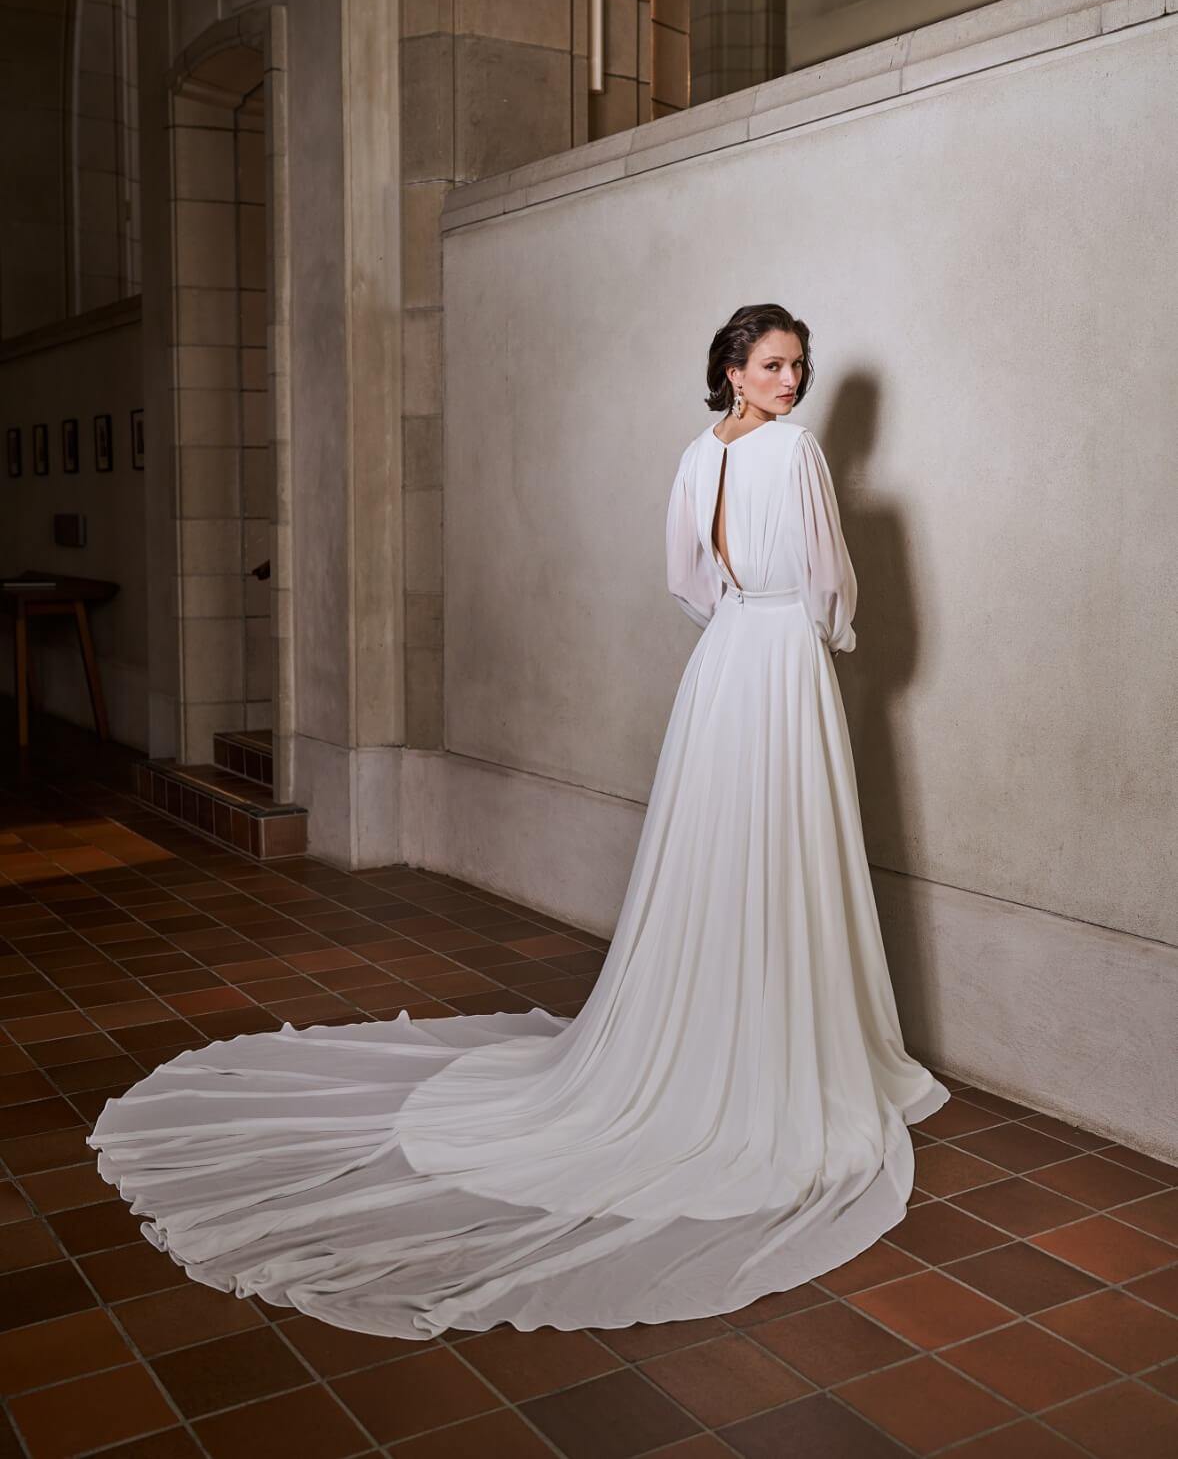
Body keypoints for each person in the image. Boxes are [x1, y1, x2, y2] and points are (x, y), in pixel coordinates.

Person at [89, 303, 949, 1339]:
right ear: (729, 367)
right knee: (782, 854)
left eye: (797, 368)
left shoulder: (693, 457)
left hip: (720, 666)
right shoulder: (799, 455)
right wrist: (813, 634)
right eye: (772, 365)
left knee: (715, 857)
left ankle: (720, 1033)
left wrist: (741, 625)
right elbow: (826, 583)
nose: (790, 382)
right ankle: (783, 1047)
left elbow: (684, 583)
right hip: (780, 665)